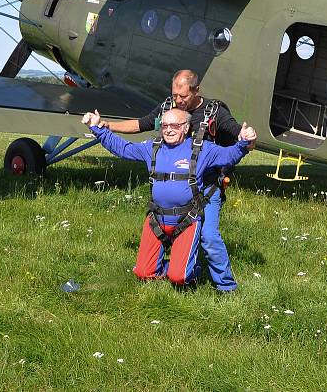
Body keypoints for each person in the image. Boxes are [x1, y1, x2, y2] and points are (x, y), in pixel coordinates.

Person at [100, 70, 247, 292]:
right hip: (180, 188)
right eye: (175, 95)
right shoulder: (168, 107)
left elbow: (238, 135)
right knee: (171, 229)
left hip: (207, 187)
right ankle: (177, 268)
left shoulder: (215, 112)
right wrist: (106, 126)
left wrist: (247, 140)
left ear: (197, 91)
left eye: (184, 96)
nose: (178, 101)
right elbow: (142, 124)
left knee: (208, 237)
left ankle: (226, 287)